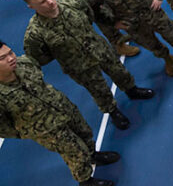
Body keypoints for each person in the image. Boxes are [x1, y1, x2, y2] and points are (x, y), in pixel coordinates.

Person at [22, 0, 154, 128]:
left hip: (99, 49)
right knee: (98, 89)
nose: (50, 2)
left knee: (119, 71)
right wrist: (64, 54)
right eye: (42, 2)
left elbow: (89, 15)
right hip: (79, 66)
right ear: (31, 7)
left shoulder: (72, 4)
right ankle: (113, 111)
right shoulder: (35, 33)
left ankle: (132, 90)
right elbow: (38, 57)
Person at [0, 40, 121, 186]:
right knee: (75, 152)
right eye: (3, 58)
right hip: (46, 130)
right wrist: (25, 131)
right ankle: (85, 180)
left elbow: (38, 72)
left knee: (85, 132)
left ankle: (93, 155)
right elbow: (3, 128)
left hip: (63, 107)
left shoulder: (25, 63)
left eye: (10, 53)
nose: (11, 58)